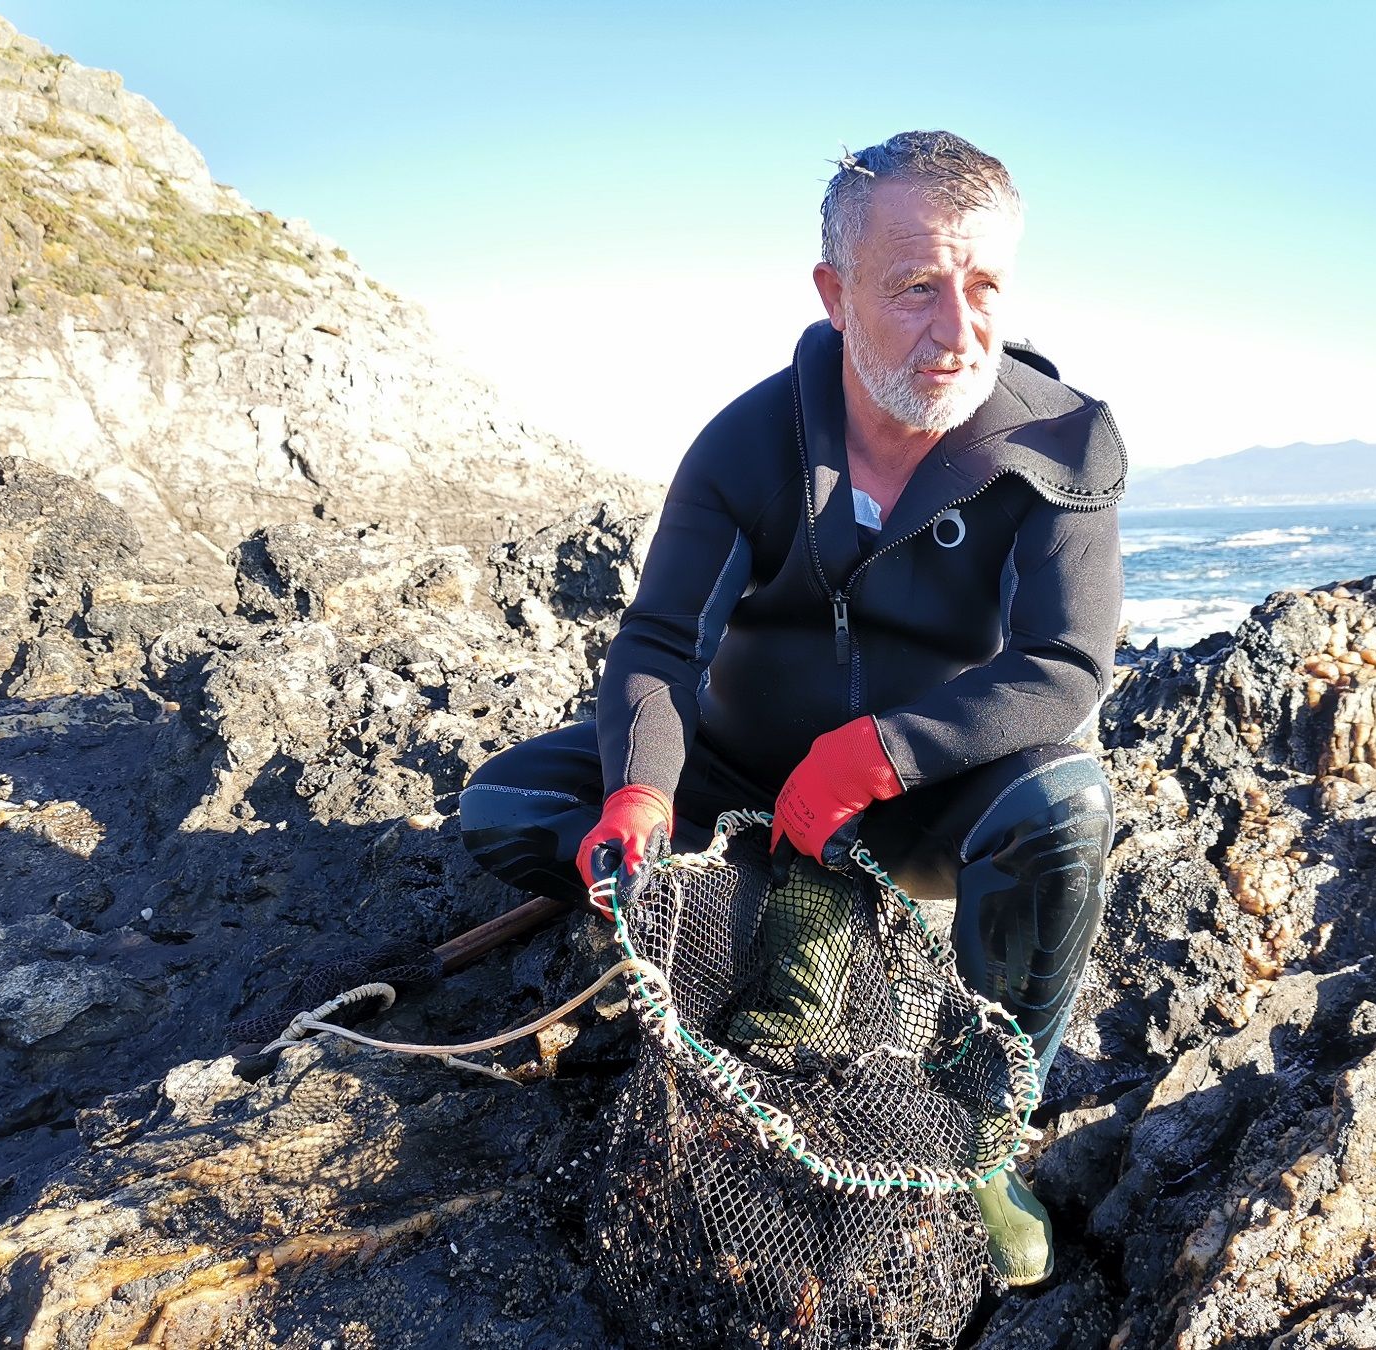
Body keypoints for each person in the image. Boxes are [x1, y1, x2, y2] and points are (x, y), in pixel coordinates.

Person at [460, 129, 1125, 1286]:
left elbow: (1065, 666)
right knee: (507, 805)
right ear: (836, 292)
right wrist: (641, 786)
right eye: (916, 287)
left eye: (983, 287)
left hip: (923, 798)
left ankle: (983, 1140)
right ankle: (730, 920)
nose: (957, 328)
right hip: (739, 784)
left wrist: (882, 755)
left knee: (1069, 802)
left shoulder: (1062, 446)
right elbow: (664, 641)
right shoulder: (749, 442)